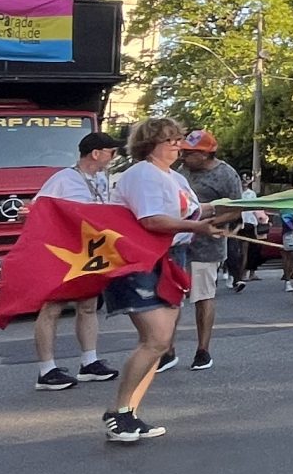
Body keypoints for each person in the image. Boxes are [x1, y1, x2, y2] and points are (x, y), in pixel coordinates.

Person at [102, 117, 233, 443]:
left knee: (159, 343)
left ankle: (128, 413)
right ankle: (118, 413)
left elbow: (191, 209)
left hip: (170, 259)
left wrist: (236, 205)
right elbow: (152, 220)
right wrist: (199, 228)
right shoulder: (144, 174)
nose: (178, 145)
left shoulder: (173, 177)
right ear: (150, 143)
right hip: (141, 260)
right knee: (156, 340)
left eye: (179, 139)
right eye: (171, 140)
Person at [30, 132, 122, 390]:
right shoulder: (63, 179)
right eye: (111, 152)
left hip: (91, 251)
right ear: (96, 153)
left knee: (88, 305)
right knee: (53, 307)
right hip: (64, 251)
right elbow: (38, 209)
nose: (113, 158)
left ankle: (89, 361)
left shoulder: (101, 179)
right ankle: (46, 370)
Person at [176, 129, 242, 371]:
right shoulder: (180, 171)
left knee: (203, 296)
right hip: (177, 241)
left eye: (189, 153)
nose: (182, 156)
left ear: (204, 154)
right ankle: (166, 350)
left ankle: (203, 350)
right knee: (172, 296)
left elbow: (236, 209)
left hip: (207, 245)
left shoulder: (226, 174)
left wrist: (208, 224)